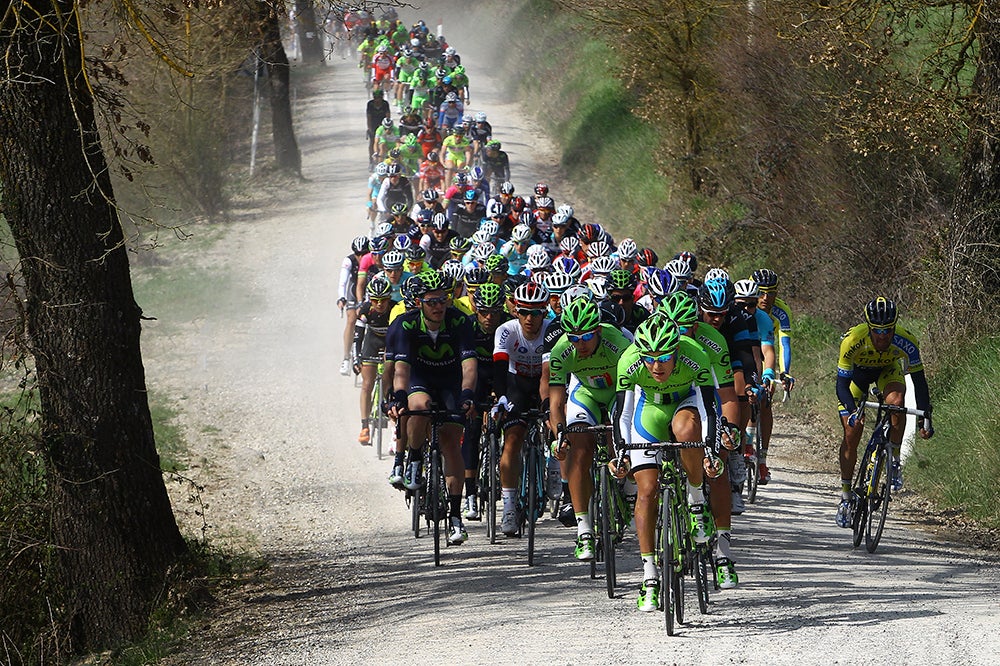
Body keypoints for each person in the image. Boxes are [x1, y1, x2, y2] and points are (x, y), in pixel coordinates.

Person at [611, 315, 721, 612]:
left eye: (665, 358)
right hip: (650, 411)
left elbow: (710, 410)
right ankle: (649, 577)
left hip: (686, 404)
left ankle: (696, 501)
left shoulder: (695, 355)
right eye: (649, 358)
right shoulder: (629, 361)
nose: (656, 366)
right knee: (646, 492)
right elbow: (621, 413)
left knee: (687, 431)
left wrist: (711, 449)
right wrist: (620, 451)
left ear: (677, 351)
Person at [385, 270, 478, 546]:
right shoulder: (406, 324)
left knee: (451, 443)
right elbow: (400, 369)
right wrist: (398, 396)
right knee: (419, 405)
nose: (438, 306)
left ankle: (455, 515)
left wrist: (468, 394)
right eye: (432, 301)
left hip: (450, 381)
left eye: (443, 300)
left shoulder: (461, 322)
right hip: (419, 378)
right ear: (420, 302)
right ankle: (414, 457)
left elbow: (469, 366)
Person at [658, 291, 740, 589]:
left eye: (689, 325)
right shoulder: (651, 339)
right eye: (676, 326)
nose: (683, 333)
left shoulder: (711, 342)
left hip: (701, 404)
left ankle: (722, 553)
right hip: (660, 406)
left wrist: (729, 429)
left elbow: (728, 395)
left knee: (717, 464)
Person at [834, 297, 933, 528]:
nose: (883, 336)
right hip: (856, 377)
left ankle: (894, 460)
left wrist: (925, 418)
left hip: (888, 372)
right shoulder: (853, 340)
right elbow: (841, 385)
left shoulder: (906, 341)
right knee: (852, 432)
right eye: (877, 330)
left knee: (897, 403)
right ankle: (846, 496)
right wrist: (851, 411)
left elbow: (920, 383)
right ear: (869, 327)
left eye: (888, 330)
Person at [548, 297, 632, 562]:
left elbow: (631, 394)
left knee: (618, 439)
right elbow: (557, 400)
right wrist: (559, 436)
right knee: (579, 447)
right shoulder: (562, 350)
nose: (580, 344)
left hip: (618, 394)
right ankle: (584, 529)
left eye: (585, 336)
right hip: (585, 394)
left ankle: (627, 488)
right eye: (574, 338)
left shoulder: (618, 343)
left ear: (598, 330)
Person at [493, 281, 552, 536]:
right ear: (515, 310)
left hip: (545, 382)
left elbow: (549, 377)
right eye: (524, 311)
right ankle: (508, 505)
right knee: (513, 439)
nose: (530, 318)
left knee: (556, 423)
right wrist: (501, 397)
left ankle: (555, 472)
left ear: (545, 312)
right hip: (516, 384)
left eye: (536, 312)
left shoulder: (552, 330)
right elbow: (499, 368)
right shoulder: (506, 330)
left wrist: (549, 408)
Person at [462, 282, 510, 520]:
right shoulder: (467, 326)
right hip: (476, 376)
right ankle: (470, 494)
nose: (489, 317)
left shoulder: (509, 325)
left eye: (495, 312)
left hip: (503, 375)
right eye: (484, 312)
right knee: (470, 430)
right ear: (475, 308)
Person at [752, 267, 794, 484]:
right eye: (761, 292)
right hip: (747, 348)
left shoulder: (781, 311)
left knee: (766, 400)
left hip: (766, 348)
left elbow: (784, 344)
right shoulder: (744, 303)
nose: (766, 298)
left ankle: (762, 460)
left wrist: (784, 372)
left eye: (772, 293)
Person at [353, 276, 394, 443]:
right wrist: (357, 359)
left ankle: (394, 426)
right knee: (367, 384)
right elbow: (358, 337)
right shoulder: (365, 310)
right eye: (375, 300)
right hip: (371, 342)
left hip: (389, 343)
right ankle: (364, 426)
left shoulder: (395, 309)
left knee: (391, 382)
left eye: (383, 300)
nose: (379, 304)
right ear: (370, 299)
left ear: (389, 298)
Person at [338, 236, 370, 376]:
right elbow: (343, 282)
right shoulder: (349, 260)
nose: (361, 256)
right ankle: (346, 357)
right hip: (353, 290)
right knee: (351, 319)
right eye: (358, 254)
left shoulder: (372, 259)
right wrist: (341, 297)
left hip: (369, 289)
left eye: (364, 253)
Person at [366, 90, 391, 164]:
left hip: (383, 125)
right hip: (373, 124)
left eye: (379, 98)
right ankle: (371, 161)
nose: (377, 100)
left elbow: (388, 115)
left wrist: (388, 127)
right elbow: (368, 117)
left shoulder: (385, 104)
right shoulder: (370, 104)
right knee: (372, 143)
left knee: (384, 142)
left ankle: (384, 160)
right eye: (375, 98)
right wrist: (369, 128)